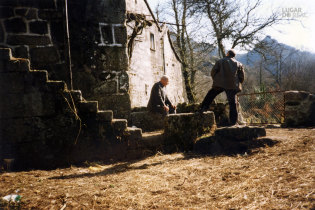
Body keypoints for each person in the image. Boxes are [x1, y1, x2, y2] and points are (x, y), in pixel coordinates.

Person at [199, 49, 245, 126]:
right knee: (233, 103)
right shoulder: (239, 64)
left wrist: (216, 80)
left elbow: (213, 72)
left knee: (210, 95)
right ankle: (233, 122)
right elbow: (241, 77)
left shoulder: (220, 61)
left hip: (219, 84)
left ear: (227, 54)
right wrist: (238, 84)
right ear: (234, 56)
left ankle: (203, 109)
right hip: (232, 85)